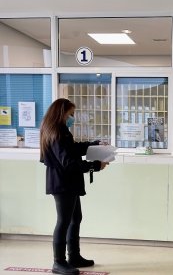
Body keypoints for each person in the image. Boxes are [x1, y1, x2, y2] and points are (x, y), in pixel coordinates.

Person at [40, 98, 109, 275]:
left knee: (75, 218)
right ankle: (59, 262)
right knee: (63, 221)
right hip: (62, 184)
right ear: (61, 113)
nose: (73, 117)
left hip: (68, 183)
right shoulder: (56, 133)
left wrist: (93, 145)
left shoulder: (62, 131)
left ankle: (74, 256)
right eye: (70, 114)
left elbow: (73, 149)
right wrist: (94, 165)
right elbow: (68, 163)